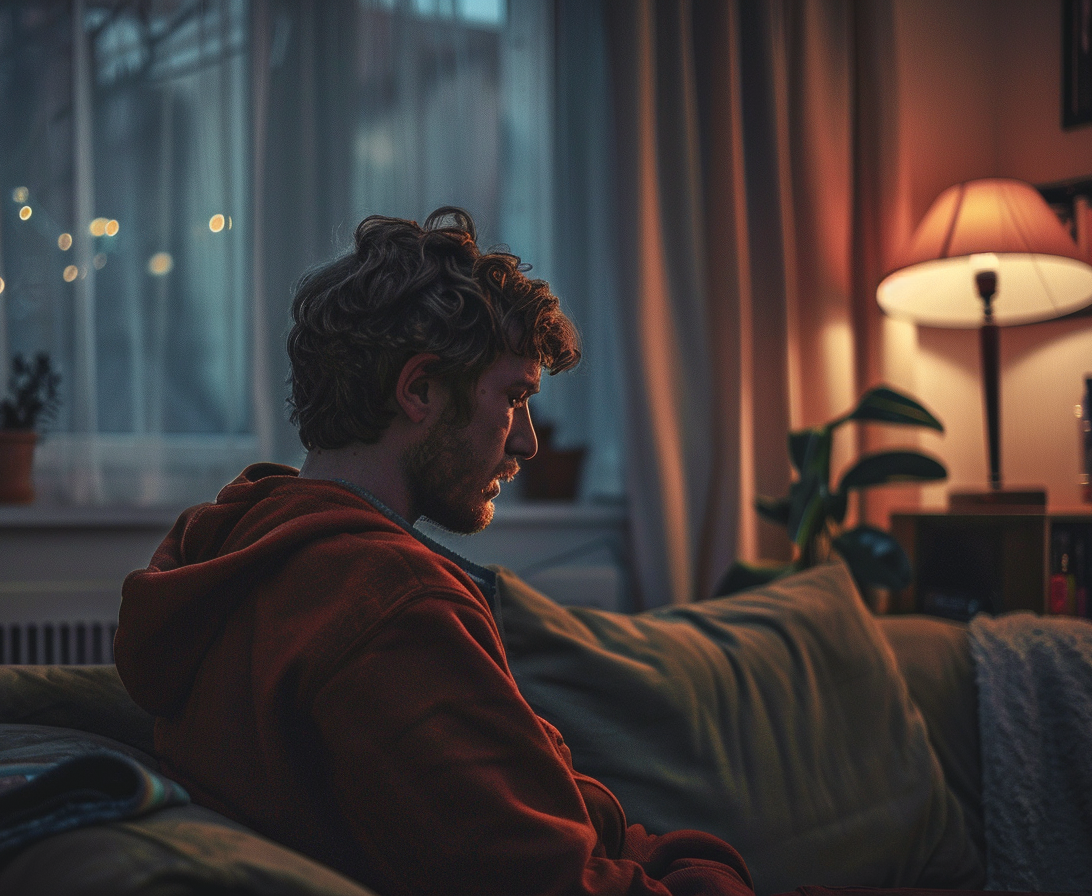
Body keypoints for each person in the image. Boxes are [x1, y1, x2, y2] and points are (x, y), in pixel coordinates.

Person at [113, 208, 754, 896]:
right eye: (514, 396)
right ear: (419, 389)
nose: (527, 442)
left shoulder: (247, 544)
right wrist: (711, 874)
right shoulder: (389, 606)